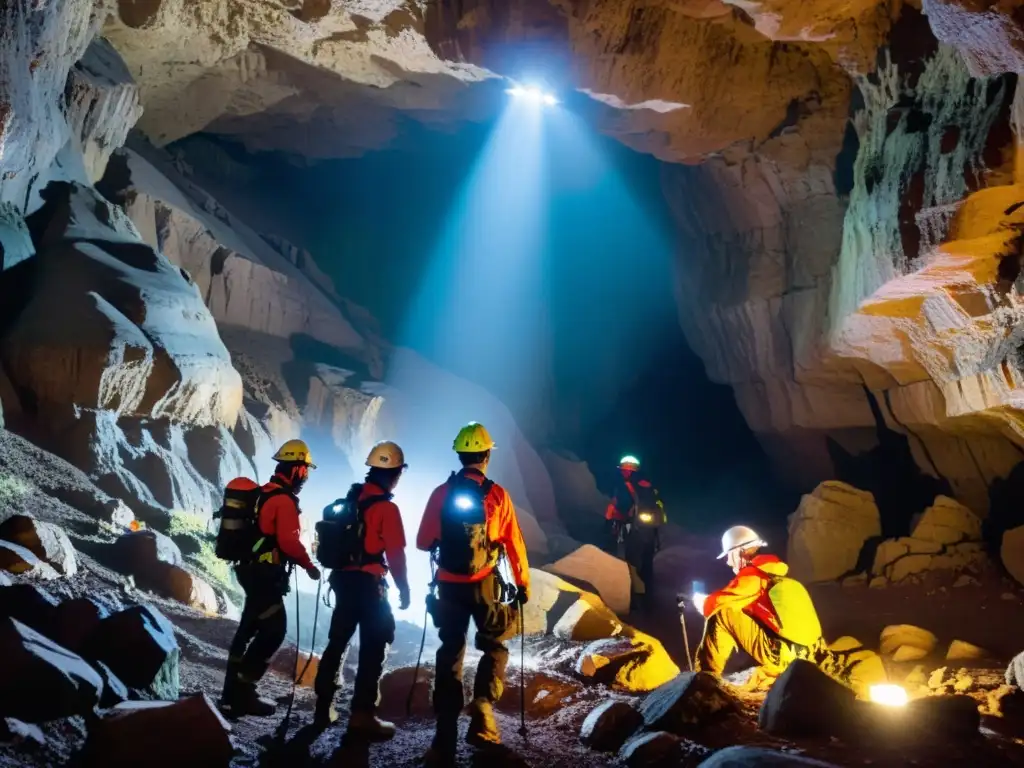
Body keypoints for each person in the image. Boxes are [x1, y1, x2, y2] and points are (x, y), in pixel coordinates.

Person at [417, 422, 530, 764]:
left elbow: (423, 542)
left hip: (448, 585)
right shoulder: (497, 495)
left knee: (451, 650)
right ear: (485, 456)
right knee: (494, 644)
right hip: (484, 584)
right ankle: (482, 708)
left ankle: (444, 734)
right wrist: (522, 584)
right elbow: (514, 544)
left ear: (461, 454)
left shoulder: (441, 493)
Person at [692, 525, 886, 695]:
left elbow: (716, 605)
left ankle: (705, 682)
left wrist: (700, 600)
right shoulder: (777, 575)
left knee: (722, 615)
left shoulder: (754, 575)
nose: (727, 562)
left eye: (728, 556)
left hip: (782, 658)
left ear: (739, 552)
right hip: (808, 656)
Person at [313, 440, 411, 738]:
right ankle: (362, 716)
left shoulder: (351, 499)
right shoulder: (386, 509)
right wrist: (404, 589)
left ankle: (323, 706)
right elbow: (395, 554)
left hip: (342, 581)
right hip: (370, 587)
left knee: (337, 642)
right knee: (373, 648)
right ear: (394, 474)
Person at [220, 439, 321, 717]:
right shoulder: (284, 501)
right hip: (263, 575)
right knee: (274, 631)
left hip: (250, 571)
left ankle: (231, 694)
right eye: (305, 471)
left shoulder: (264, 493)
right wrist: (309, 566)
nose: (305, 478)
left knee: (248, 630)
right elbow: (289, 543)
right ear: (296, 470)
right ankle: (243, 692)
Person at [604, 455, 666, 610]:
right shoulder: (645, 485)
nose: (624, 472)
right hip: (646, 531)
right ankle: (647, 598)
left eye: (625, 470)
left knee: (634, 564)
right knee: (645, 564)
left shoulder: (632, 486)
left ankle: (636, 599)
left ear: (630, 471)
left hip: (636, 531)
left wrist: (612, 519)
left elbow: (620, 508)